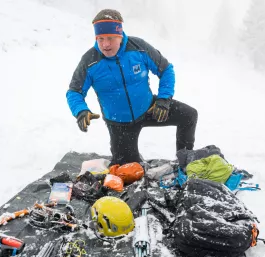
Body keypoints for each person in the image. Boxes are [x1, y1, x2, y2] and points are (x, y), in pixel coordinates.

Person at [66, 9, 198, 165]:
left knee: (189, 116)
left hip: (149, 108)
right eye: (100, 39)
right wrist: (81, 111)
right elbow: (74, 92)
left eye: (110, 38)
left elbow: (166, 69)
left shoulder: (138, 48)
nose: (105, 44)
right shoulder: (90, 61)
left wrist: (163, 100)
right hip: (119, 123)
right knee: (129, 170)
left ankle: (184, 162)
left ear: (120, 35)